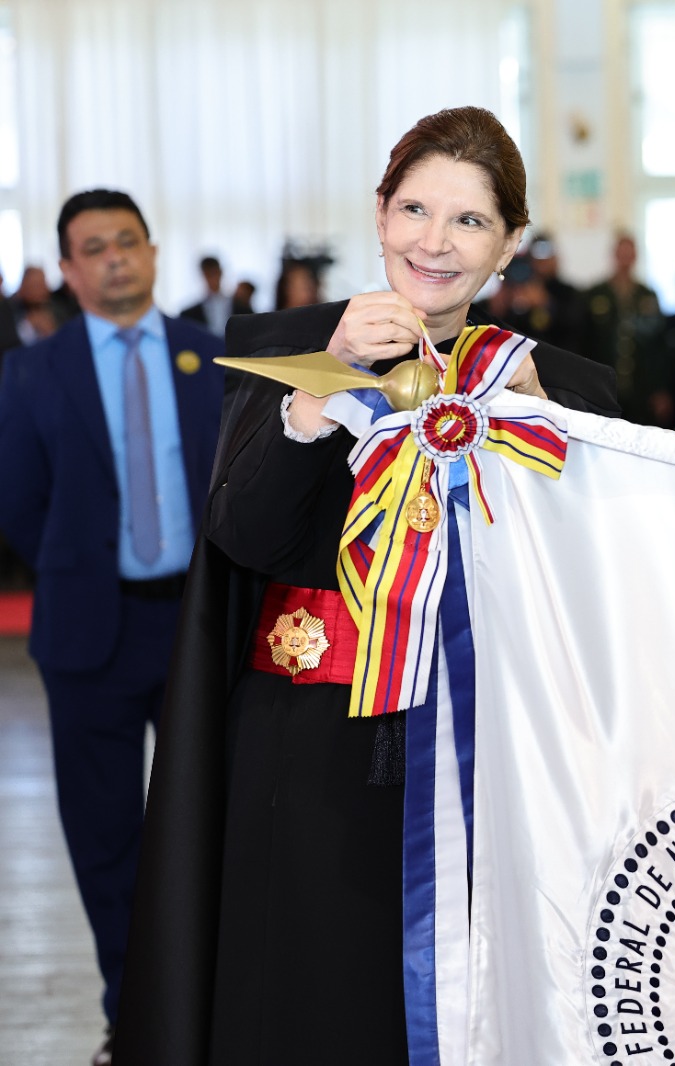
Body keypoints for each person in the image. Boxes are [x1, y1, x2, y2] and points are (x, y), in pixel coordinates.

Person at [116, 106, 619, 1066]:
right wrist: (323, 389)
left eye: (470, 221)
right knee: (304, 999)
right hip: (306, 738)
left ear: (510, 243)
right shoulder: (286, 345)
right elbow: (243, 539)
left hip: (488, 746)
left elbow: (606, 578)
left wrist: (556, 434)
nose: (435, 243)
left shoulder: (556, 386)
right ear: (380, 213)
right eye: (415, 210)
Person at [0, 189, 225, 1066]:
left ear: (154, 251)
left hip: (197, 628)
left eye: (126, 241)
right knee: (105, 840)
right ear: (67, 269)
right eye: (92, 248)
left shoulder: (212, 359)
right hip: (88, 635)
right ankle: (131, 1020)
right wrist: (84, 568)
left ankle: (212, 1014)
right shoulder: (32, 373)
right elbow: (20, 504)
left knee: (207, 828)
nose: (114, 258)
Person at [583, 231, 672, 425]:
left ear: (635, 257)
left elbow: (659, 346)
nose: (625, 259)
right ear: (614, 255)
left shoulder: (647, 295)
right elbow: (585, 343)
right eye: (621, 253)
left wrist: (660, 389)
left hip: (641, 389)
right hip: (604, 388)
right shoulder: (595, 294)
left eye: (629, 254)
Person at [180, 255, 231, 336]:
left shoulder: (241, 309)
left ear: (220, 273)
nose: (212, 279)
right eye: (209, 275)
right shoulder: (189, 315)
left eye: (214, 273)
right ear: (203, 275)